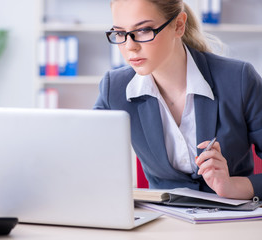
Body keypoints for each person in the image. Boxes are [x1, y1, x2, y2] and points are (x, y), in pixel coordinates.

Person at [94, 0, 262, 200]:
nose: (130, 46)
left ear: (179, 25)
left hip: (232, 220)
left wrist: (234, 186)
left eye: (144, 30)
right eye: (120, 33)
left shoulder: (238, 79)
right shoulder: (115, 88)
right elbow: (86, 158)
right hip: (162, 222)